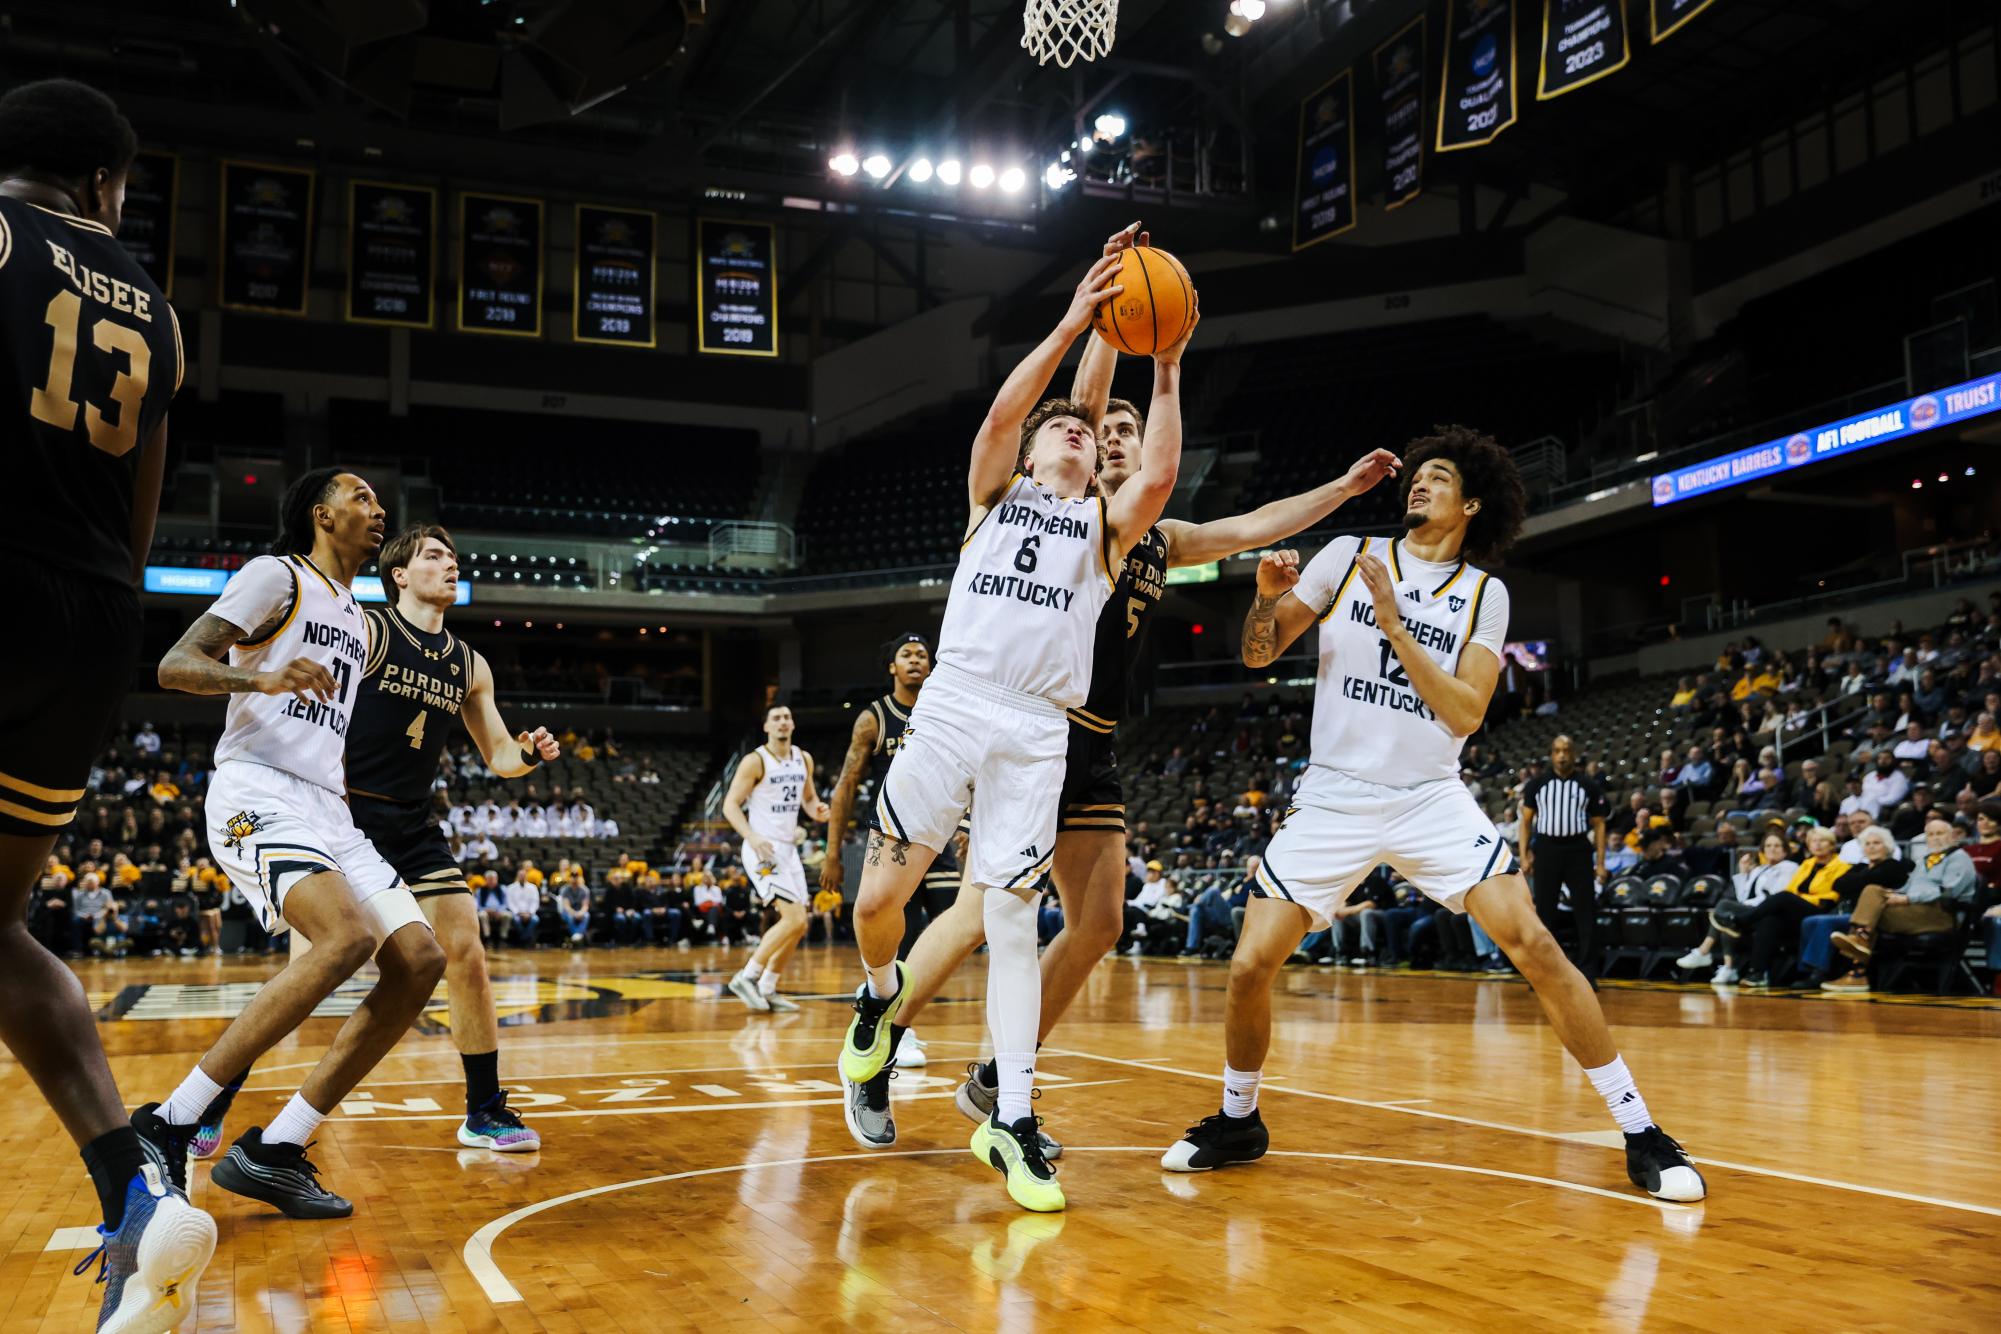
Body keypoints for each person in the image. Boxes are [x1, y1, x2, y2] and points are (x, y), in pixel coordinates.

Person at [848, 224, 1401, 1163]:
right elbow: (1075, 402)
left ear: (1139, 447)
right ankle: (883, 1041)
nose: (1106, 436)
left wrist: (1340, 493)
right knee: (984, 911)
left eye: (1120, 432)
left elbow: (1254, 521)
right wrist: (1105, 320)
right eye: (1097, 430)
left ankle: (993, 1078)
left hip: (1087, 739)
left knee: (1098, 921)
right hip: (1021, 718)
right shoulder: (1063, 505)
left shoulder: (1154, 535)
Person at [1159, 426, 1705, 1204]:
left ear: (1471, 504)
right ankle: (1238, 1119)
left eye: (1438, 477)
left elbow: (1464, 713)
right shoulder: (1346, 553)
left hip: (1428, 796)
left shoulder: (1484, 594)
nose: (1418, 483)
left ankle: (1641, 1130)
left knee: (1534, 945)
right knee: (1248, 965)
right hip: (1333, 795)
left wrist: (1392, 621)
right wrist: (1265, 598)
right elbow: (1258, 653)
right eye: (1416, 475)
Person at [833, 241, 1185, 1213]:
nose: (1077, 431)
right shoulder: (992, 497)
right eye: (1060, 426)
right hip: (955, 703)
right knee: (878, 905)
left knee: (1013, 919)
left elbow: (1157, 476)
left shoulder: (1106, 528)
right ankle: (877, 997)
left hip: (1036, 731)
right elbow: (1000, 415)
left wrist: (1166, 361)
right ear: (1030, 453)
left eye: (1086, 430)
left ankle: (1011, 1117)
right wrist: (1075, 320)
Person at [0, 77, 215, 1329]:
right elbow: (138, 520)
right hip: (90, 622)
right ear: (102, 181)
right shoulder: (159, 316)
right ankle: (135, 1193)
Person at [134, 468, 447, 1222]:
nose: (378, 509)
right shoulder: (277, 576)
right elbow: (175, 666)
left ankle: (275, 1149)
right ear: (321, 515)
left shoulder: (358, 615)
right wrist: (265, 678)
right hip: (258, 792)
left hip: (328, 809)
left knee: (419, 961)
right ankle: (169, 1121)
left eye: (379, 500)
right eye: (361, 497)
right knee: (344, 939)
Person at [205, 525, 560, 1157]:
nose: (450, 565)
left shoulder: (469, 664)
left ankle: (483, 1110)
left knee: (465, 951)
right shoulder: (365, 631)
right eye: (434, 556)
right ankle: (213, 1097)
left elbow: (501, 755)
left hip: (413, 824)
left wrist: (528, 753)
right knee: (311, 973)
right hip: (340, 816)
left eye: (454, 557)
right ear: (399, 574)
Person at [817, 634, 966, 1064]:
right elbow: (846, 785)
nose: (916, 660)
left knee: (958, 928)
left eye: (922, 655)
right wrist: (833, 853)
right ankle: (898, 1028)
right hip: (894, 836)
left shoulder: (946, 710)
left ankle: (883, 999)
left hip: (939, 835)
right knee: (903, 932)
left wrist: (968, 821)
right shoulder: (874, 718)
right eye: (907, 655)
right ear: (892, 667)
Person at [724, 704, 830, 1013]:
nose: (783, 722)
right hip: (762, 851)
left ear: (793, 724)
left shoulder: (803, 758)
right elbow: (730, 805)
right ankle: (747, 976)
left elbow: (808, 799)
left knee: (800, 925)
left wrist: (817, 811)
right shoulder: (755, 761)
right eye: (776, 718)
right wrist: (751, 836)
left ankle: (768, 987)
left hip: (788, 850)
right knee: (793, 918)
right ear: (766, 726)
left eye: (787, 717)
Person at [1823, 814, 1981, 991]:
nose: (1935, 838)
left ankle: (1858, 966)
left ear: (1951, 836)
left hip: (1942, 915)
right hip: (1916, 911)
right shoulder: (1924, 861)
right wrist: (1894, 895)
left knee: (1872, 917)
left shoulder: (1959, 858)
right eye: (1930, 834)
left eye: (1940, 833)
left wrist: (1907, 899)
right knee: (1873, 891)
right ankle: (1860, 942)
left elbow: (1947, 892)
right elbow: (1908, 887)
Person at [1518, 735, 1609, 980]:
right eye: (1557, 750)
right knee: (1544, 913)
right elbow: (1525, 822)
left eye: (1566, 750)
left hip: (1578, 850)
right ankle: (1545, 973)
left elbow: (1600, 825)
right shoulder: (1536, 785)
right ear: (1551, 754)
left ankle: (1588, 972)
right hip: (1546, 849)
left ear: (1574, 753)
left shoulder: (1588, 785)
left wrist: (1600, 863)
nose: (1562, 755)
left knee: (1585, 912)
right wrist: (1524, 855)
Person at [1676, 831, 1797, 983]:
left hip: (1772, 913)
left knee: (1724, 908)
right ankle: (1728, 968)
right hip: (1753, 910)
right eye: (1768, 846)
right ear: (1763, 850)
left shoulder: (1789, 867)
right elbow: (1742, 897)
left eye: (1777, 846)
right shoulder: (1760, 869)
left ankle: (1704, 951)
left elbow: (1776, 896)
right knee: (1727, 920)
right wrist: (1743, 872)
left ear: (1785, 850)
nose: (1772, 849)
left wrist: (1745, 905)